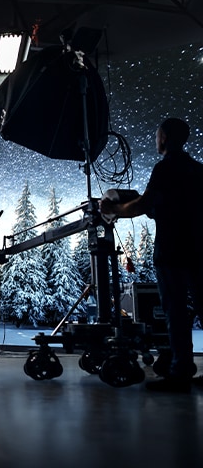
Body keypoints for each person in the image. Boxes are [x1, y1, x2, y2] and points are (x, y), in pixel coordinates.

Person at [100, 117, 203, 393]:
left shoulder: (164, 168)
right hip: (198, 250)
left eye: (158, 135)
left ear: (166, 137)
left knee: (176, 312)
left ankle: (181, 372)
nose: (156, 139)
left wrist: (115, 209)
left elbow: (146, 203)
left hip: (171, 252)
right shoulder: (197, 170)